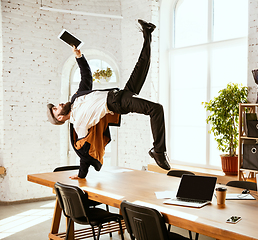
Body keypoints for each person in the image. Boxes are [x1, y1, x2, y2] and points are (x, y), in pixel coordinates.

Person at [47, 19, 171, 179]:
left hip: (119, 94)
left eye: (55, 106)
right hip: (117, 104)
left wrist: (79, 57)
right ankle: (158, 151)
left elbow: (86, 76)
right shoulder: (79, 125)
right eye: (56, 109)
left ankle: (147, 33)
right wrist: (81, 175)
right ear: (61, 118)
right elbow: (83, 153)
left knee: (142, 66)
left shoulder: (76, 98)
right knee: (156, 109)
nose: (58, 105)